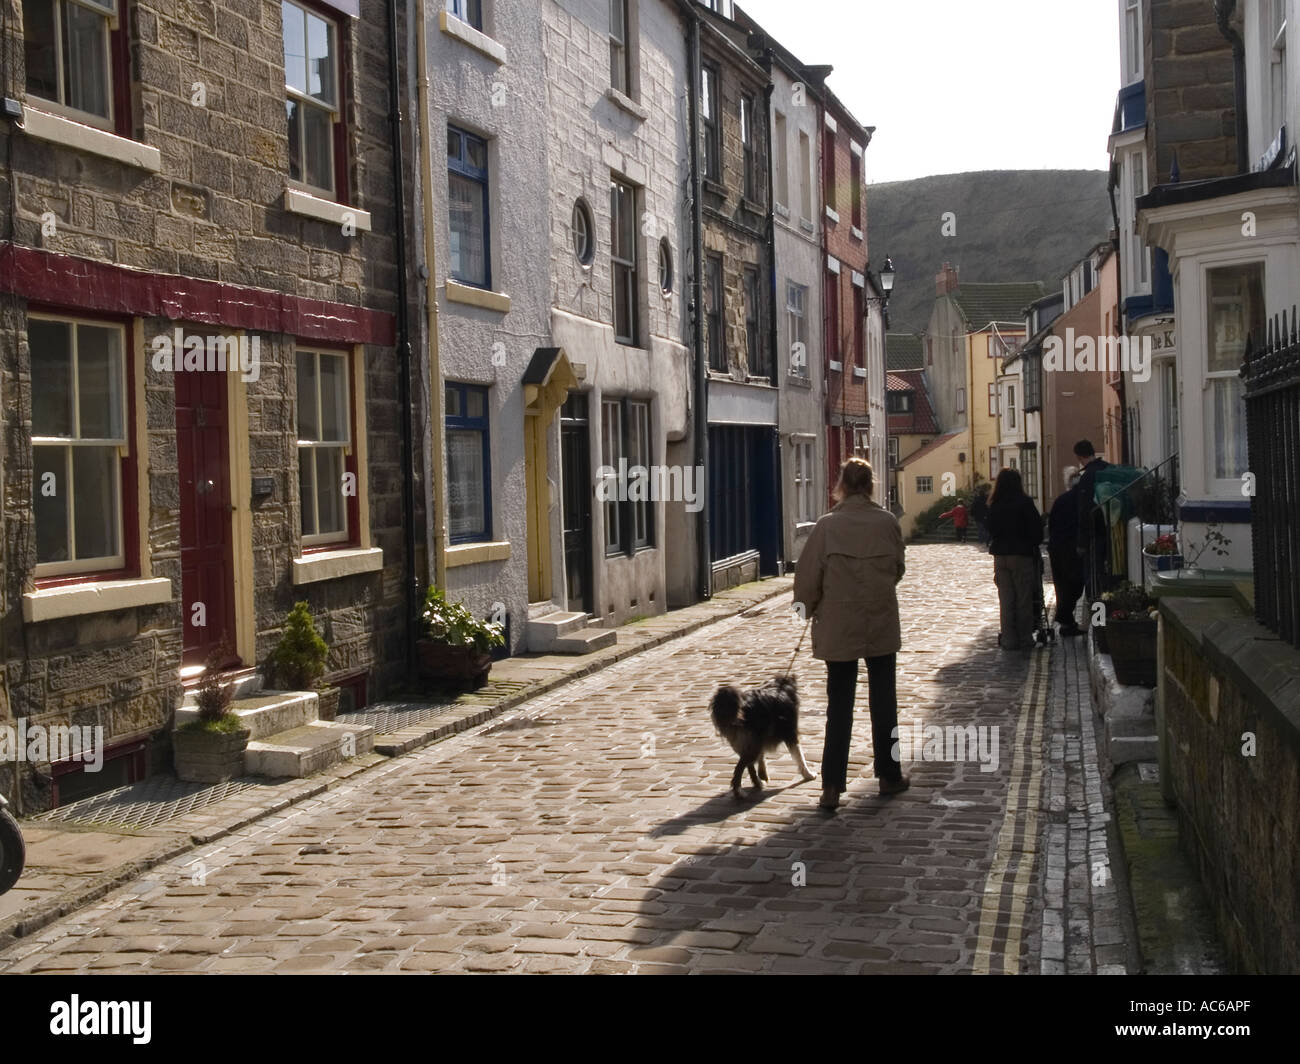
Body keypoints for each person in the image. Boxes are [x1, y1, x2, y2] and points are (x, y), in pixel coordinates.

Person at [793, 458, 909, 811]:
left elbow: (807, 578)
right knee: (884, 703)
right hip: (879, 621)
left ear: (841, 484)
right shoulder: (887, 523)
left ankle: (831, 786)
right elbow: (898, 569)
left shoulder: (828, 527)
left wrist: (805, 611)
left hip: (839, 625)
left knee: (839, 707)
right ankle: (889, 775)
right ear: (871, 484)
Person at [986, 467, 1043, 652]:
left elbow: (990, 529)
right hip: (1020, 555)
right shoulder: (1024, 502)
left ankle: (1009, 640)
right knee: (1023, 599)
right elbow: (1037, 530)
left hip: (1000, 557)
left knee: (1006, 600)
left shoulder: (995, 503)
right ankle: (1025, 638)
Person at [1048, 473, 1085, 636]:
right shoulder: (1084, 499)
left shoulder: (1060, 500)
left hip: (1057, 547)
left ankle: (1065, 620)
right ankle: (1066, 620)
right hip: (1074, 548)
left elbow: (1051, 524)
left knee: (1062, 584)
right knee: (1076, 585)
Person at [1073, 440, 1110, 597]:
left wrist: (1081, 542)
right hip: (1112, 530)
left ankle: (1097, 617)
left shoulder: (1087, 477)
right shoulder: (1107, 469)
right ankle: (1104, 611)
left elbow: (1083, 511)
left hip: (1094, 534)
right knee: (1107, 575)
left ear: (1080, 457)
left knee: (1094, 578)